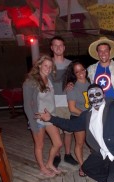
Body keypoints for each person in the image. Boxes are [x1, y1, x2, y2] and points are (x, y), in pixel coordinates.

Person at [23, 54, 63, 177]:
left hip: (50, 117)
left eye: (50, 66)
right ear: (39, 65)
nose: (48, 68)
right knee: (39, 145)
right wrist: (33, 122)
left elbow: (60, 82)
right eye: (45, 65)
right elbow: (27, 105)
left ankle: (50, 163)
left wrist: (69, 85)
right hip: (38, 118)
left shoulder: (49, 78)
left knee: (58, 143)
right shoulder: (30, 82)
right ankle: (42, 168)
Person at [49, 36, 78, 166]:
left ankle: (67, 154)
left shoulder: (70, 65)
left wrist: (72, 85)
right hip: (51, 103)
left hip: (67, 103)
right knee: (55, 131)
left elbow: (76, 80)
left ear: (64, 47)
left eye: (61, 45)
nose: (58, 47)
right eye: (55, 45)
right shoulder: (47, 64)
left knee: (68, 131)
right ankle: (56, 155)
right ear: (51, 48)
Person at [62, 60, 90, 177]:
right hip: (79, 118)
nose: (80, 73)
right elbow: (72, 108)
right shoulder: (72, 88)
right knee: (80, 143)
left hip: (90, 118)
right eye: (77, 71)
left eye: (82, 69)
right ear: (74, 73)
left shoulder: (90, 83)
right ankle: (82, 166)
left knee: (93, 142)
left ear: (85, 70)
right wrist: (87, 115)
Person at [87, 37, 114, 102]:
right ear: (97, 53)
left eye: (106, 50)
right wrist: (71, 84)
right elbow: (82, 82)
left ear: (109, 52)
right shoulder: (91, 69)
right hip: (98, 106)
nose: (103, 53)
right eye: (100, 51)